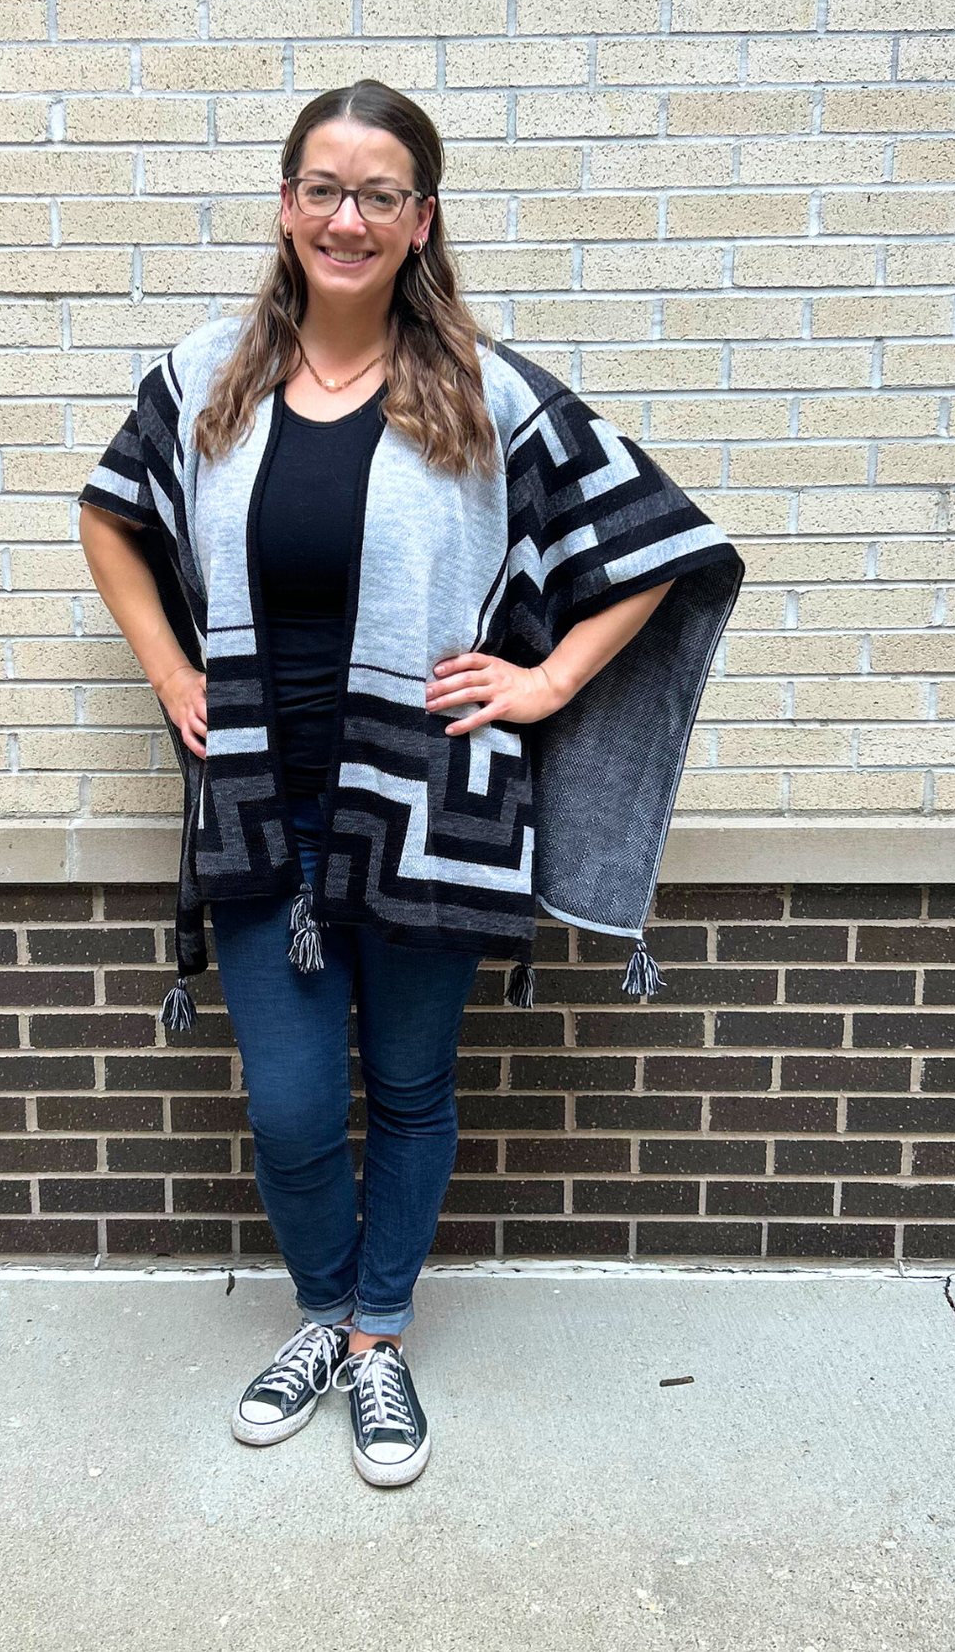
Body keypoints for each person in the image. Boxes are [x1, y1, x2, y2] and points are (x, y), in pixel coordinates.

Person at [79, 79, 743, 1488]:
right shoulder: (206, 375)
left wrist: (547, 681)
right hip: (261, 790)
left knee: (410, 1080)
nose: (348, 216)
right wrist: (169, 671)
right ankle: (320, 1305)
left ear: (420, 218)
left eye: (380, 193)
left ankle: (377, 1336)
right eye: (323, 186)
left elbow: (661, 536)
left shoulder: (486, 391)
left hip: (430, 792)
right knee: (291, 1103)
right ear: (283, 202)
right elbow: (110, 515)